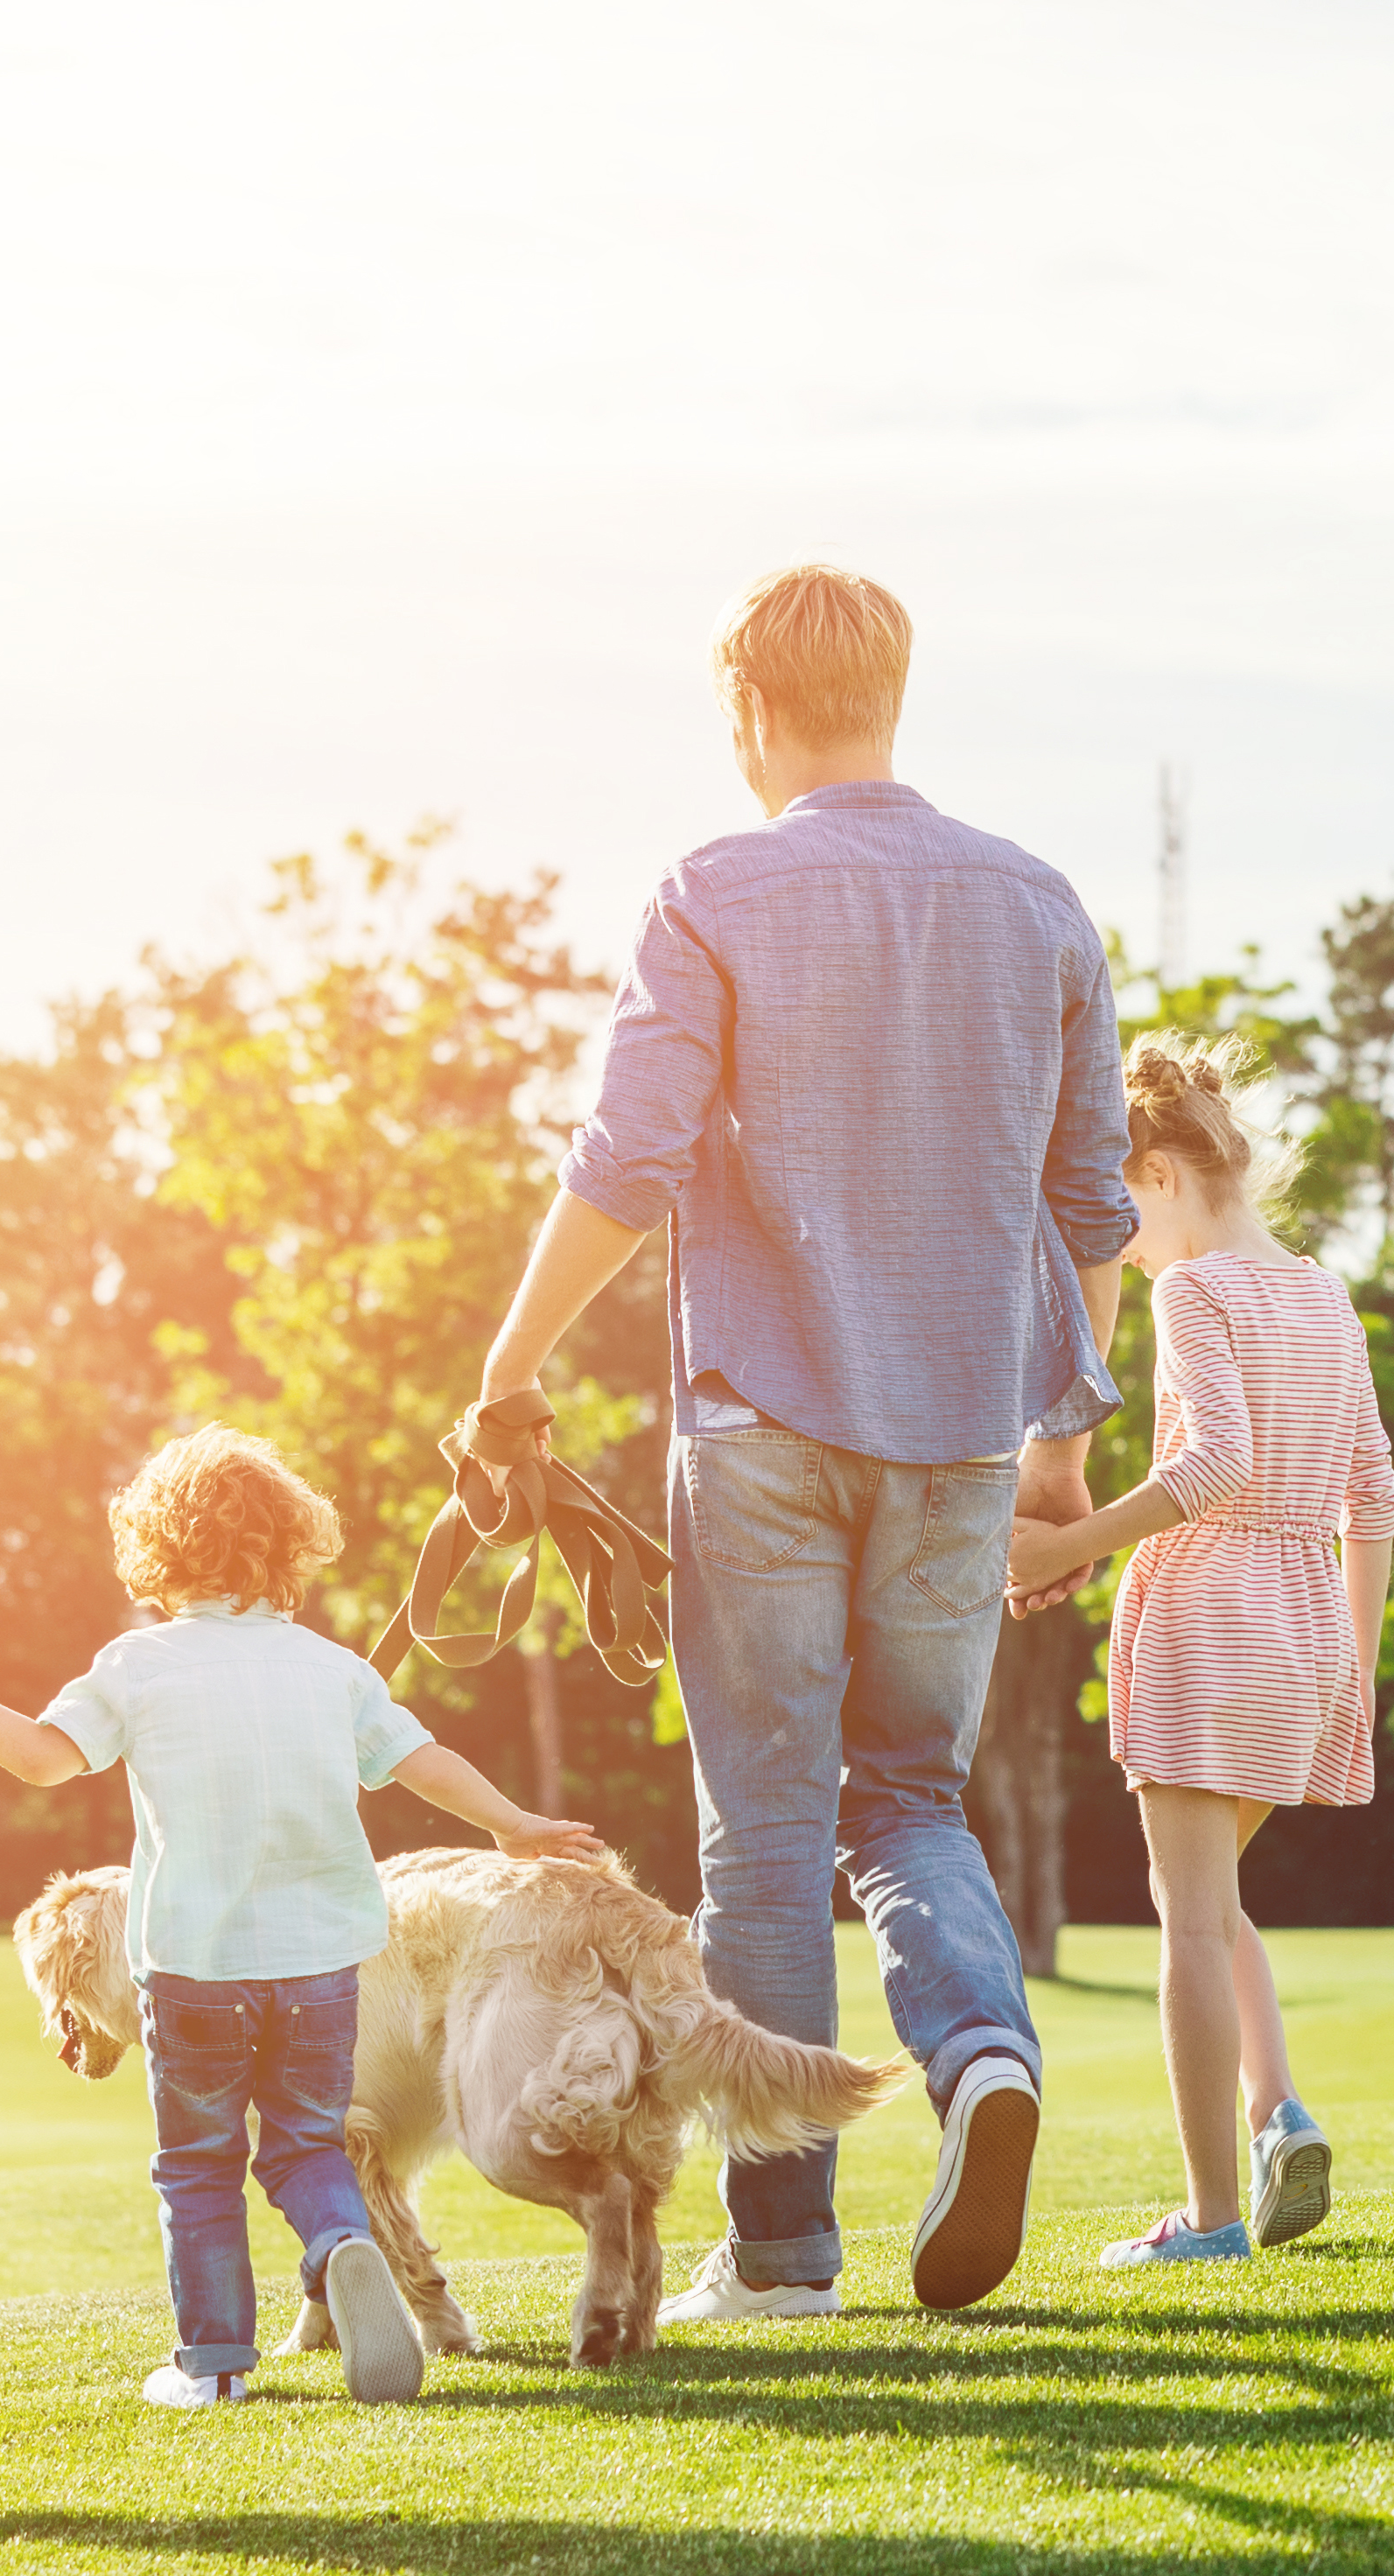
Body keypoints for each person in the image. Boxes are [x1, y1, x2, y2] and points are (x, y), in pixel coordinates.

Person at [462, 562, 1136, 2322]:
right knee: (908, 1795)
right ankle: (983, 2048)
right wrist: (1065, 1448)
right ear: (893, 693)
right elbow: (1094, 1209)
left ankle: (783, 2256)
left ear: (752, 711)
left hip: (757, 1431)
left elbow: (626, 1161)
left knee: (763, 1839)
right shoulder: (1040, 900)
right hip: (963, 1436)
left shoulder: (715, 888)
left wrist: (507, 1368)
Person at [0, 1426, 597, 2406]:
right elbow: (424, 1761)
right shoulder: (332, 1669)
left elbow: (40, 1757)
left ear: (155, 1554)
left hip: (196, 1971)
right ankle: (341, 2242)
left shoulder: (135, 1664)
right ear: (294, 1548)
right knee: (306, 2145)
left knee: (198, 2167)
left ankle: (212, 2366)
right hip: (322, 1968)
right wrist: (514, 1824)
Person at [1003, 1039, 1392, 2269]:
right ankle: (1279, 2112)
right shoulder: (1325, 1295)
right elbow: (1372, 1497)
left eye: (1118, 1215)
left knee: (1186, 1922)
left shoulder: (1195, 1292)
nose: (1119, 1247)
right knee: (1207, 1900)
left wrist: (1069, 1543)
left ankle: (1211, 2217)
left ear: (1159, 1173)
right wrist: (1357, 1667)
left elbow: (1212, 1464)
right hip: (1306, 1629)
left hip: (1206, 1617)